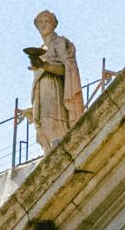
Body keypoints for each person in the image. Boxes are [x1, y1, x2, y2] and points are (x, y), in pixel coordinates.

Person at [26, 10, 84, 151]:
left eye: (46, 21)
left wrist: (44, 65)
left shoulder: (59, 43)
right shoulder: (41, 49)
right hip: (42, 93)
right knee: (42, 132)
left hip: (55, 91)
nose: (43, 25)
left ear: (53, 25)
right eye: (39, 22)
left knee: (51, 125)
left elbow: (68, 69)